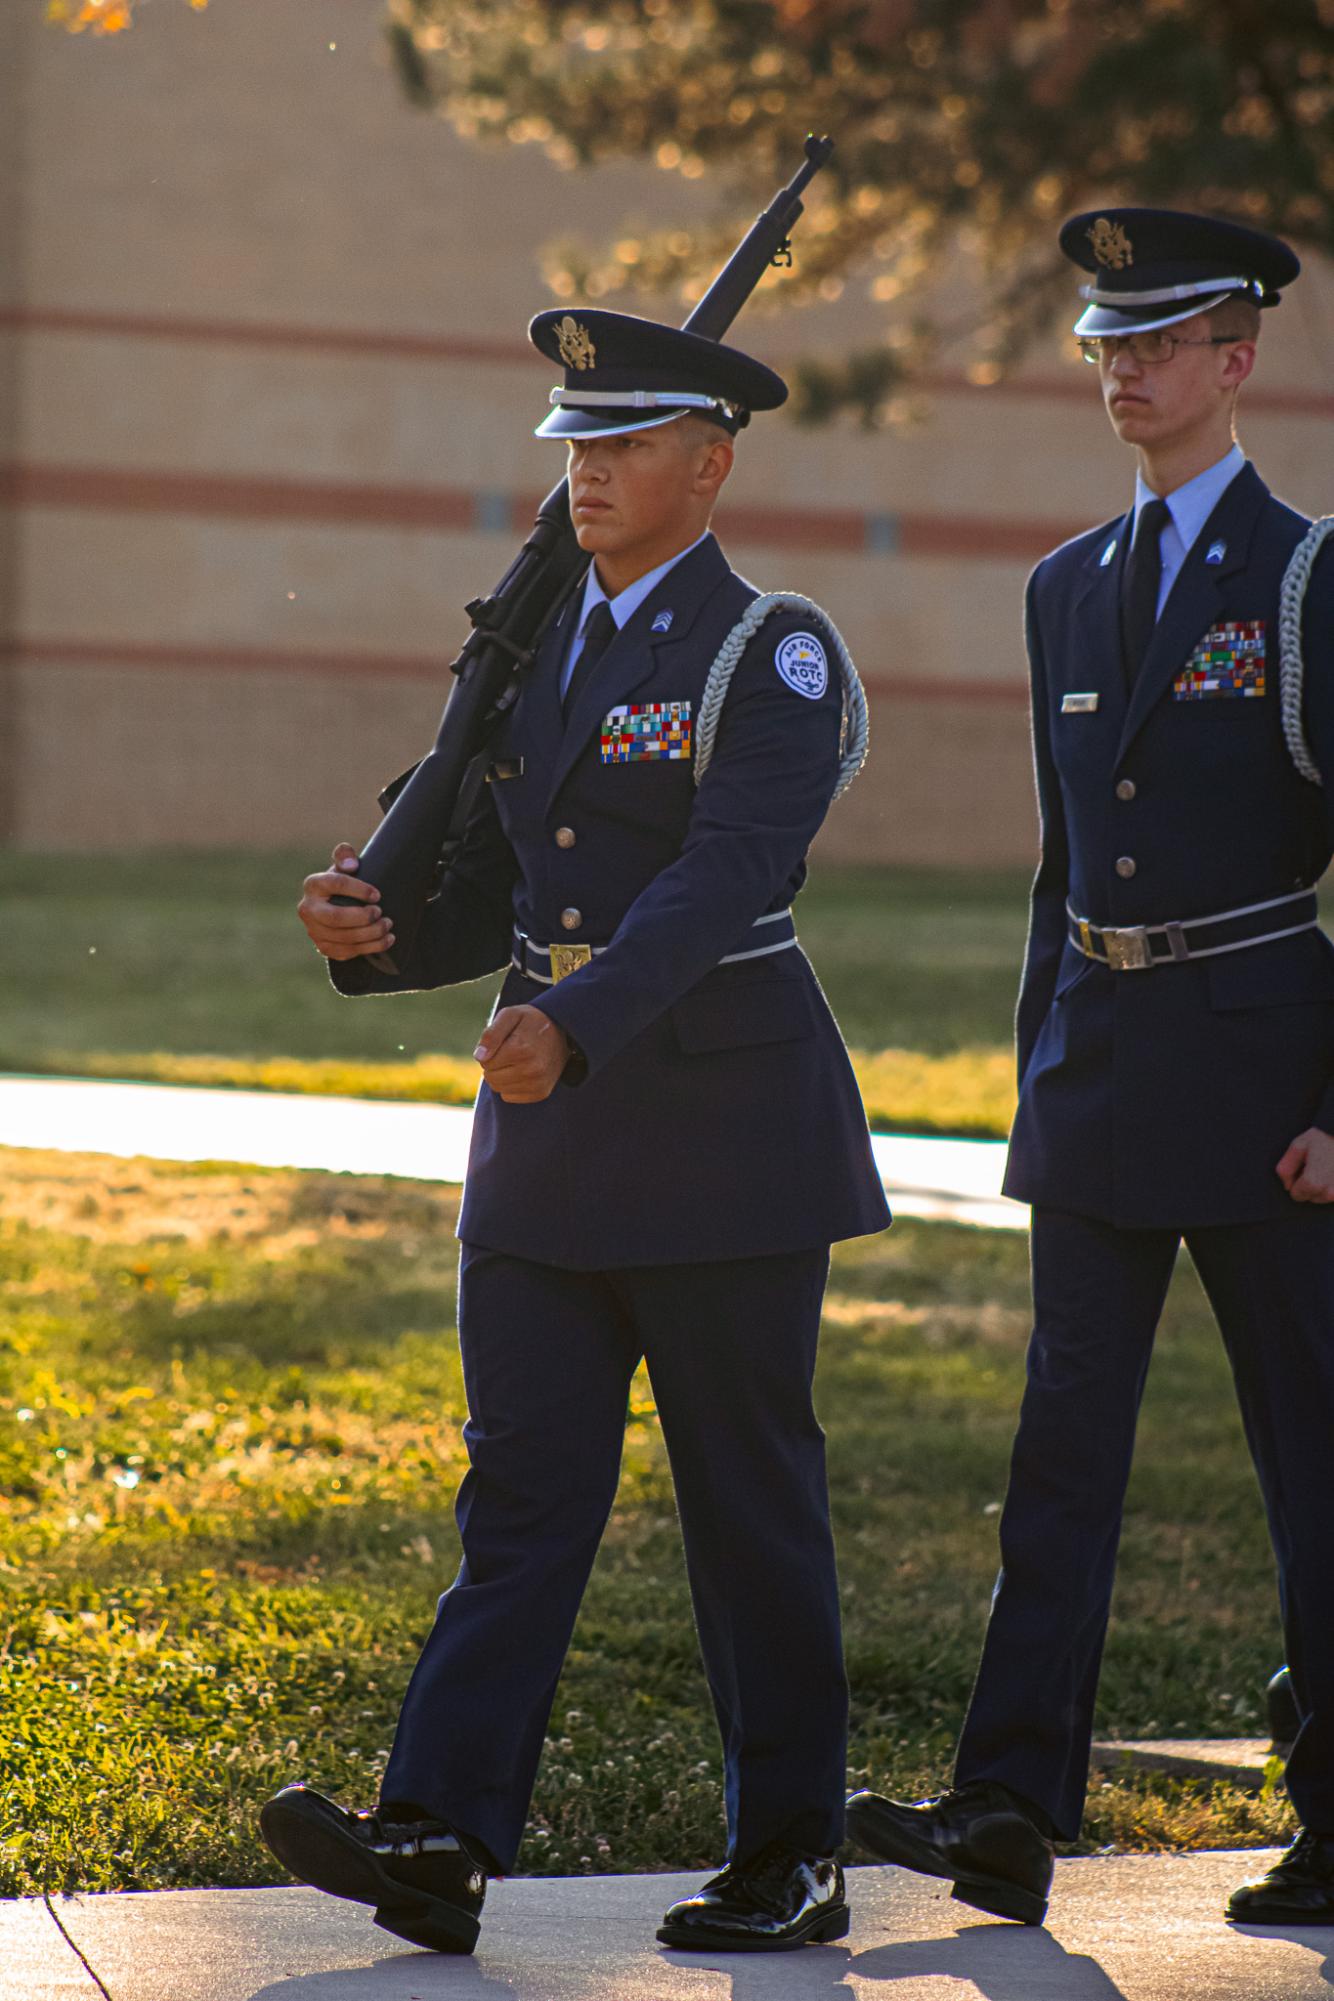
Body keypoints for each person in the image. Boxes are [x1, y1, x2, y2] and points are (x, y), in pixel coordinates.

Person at [263, 306, 890, 1957]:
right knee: (521, 1495)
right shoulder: (541, 649)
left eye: (622, 445)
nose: (586, 471)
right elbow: (495, 884)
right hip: (543, 1133)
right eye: (572, 445)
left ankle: (792, 1852)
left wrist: (574, 1023)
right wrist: (373, 936)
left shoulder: (774, 651)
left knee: (744, 1499)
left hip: (720, 1128)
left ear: (711, 463)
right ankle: (442, 1834)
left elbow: (715, 883)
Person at [847, 208, 1334, 1929]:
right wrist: (1039, 1058)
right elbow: (1066, 864)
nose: (1124, 366)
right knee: (1059, 1449)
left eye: (1159, 338)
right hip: (1103, 1067)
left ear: (1236, 359)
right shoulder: (1066, 585)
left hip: (1273, 1080)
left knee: (1311, 1453)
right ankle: (1002, 1804)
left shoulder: (1303, 576)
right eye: (1103, 341)